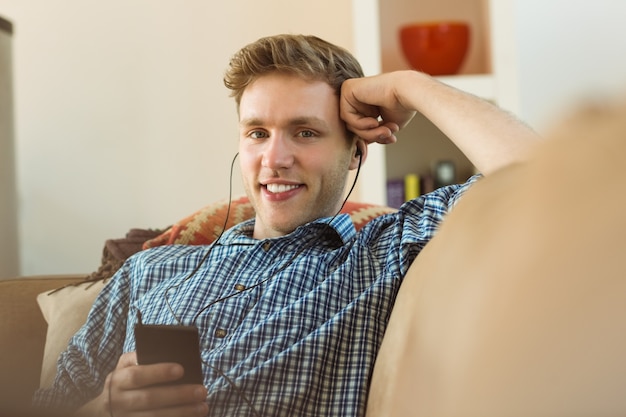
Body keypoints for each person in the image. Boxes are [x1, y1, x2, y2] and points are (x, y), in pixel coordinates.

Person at [32, 34, 538, 416]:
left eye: (304, 132)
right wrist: (104, 407)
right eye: (257, 132)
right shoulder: (150, 269)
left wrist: (407, 84)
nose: (274, 159)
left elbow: (543, 176)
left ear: (355, 151)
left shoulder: (381, 255)